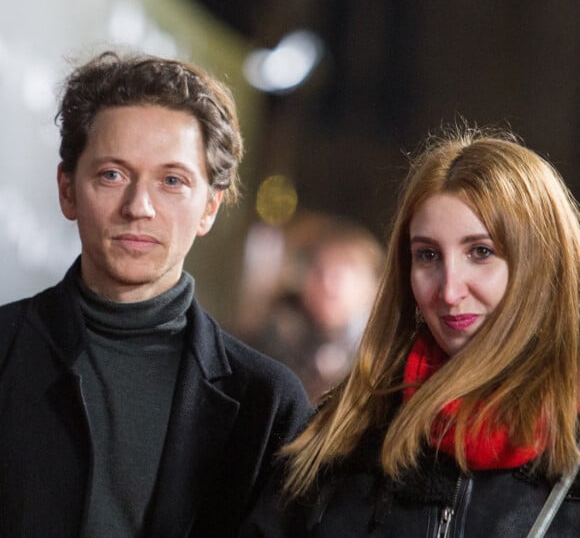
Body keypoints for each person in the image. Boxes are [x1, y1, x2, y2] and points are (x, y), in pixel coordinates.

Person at [0, 50, 311, 538]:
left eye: (172, 181)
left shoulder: (267, 404)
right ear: (67, 190)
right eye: (112, 175)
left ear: (209, 208)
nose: (138, 207)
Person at [239, 126, 580, 537]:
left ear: (542, 266)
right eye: (428, 255)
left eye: (481, 252)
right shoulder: (344, 432)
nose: (449, 291)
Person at [245, 213, 383, 402]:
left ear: (372, 285)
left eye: (342, 271)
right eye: (320, 270)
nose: (327, 283)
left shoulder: (381, 357)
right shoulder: (278, 339)